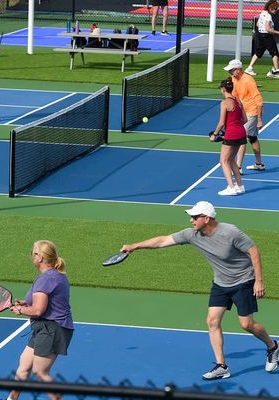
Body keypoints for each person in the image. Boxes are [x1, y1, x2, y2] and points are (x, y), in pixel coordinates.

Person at [120, 201, 279, 380]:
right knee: (212, 321)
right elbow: (162, 240)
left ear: (207, 218)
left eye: (195, 217)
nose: (191, 220)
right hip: (221, 282)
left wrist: (258, 281)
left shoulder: (230, 232)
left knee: (246, 324)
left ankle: (273, 346)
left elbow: (254, 251)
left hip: (243, 281)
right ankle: (221, 366)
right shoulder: (192, 235)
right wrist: (134, 246)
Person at [8, 240, 74, 400]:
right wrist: (26, 302)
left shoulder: (45, 279)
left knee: (40, 372)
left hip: (52, 328)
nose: (31, 255)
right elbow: (48, 301)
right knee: (24, 365)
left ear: (40, 258)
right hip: (46, 327)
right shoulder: (55, 275)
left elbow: (38, 310)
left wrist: (20, 310)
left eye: (33, 252)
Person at [223, 59, 265, 172]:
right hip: (242, 112)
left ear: (238, 70)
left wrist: (259, 119)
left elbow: (259, 99)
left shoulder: (248, 80)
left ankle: (238, 167)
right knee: (252, 137)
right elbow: (235, 96)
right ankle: (259, 163)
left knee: (242, 137)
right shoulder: (233, 79)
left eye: (231, 70)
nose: (230, 73)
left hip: (251, 111)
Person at [210, 77, 247, 196]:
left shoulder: (224, 103)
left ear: (223, 89)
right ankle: (240, 186)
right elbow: (245, 119)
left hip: (231, 134)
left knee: (223, 161)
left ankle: (231, 188)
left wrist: (214, 135)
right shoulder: (238, 100)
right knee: (231, 160)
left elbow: (221, 122)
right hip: (241, 133)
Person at [244, 0, 279, 78]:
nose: (276, 11)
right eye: (275, 9)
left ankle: (249, 68)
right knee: (274, 53)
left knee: (258, 52)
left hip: (260, 35)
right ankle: (276, 71)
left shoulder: (262, 13)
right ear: (271, 8)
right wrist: (277, 32)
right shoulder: (268, 16)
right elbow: (268, 29)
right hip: (267, 36)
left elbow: (257, 24)